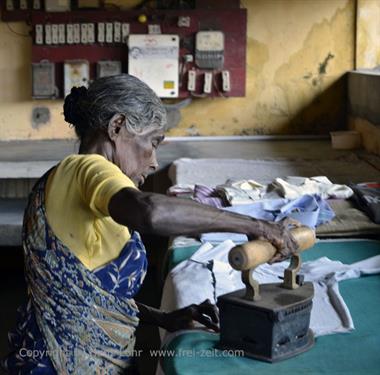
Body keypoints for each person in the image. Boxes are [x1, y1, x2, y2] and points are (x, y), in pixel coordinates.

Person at [2, 74, 297, 374]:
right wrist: (257, 226)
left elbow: (91, 297)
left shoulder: (61, 180)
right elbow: (151, 211)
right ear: (117, 127)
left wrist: (163, 318)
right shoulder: (89, 168)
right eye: (153, 142)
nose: (155, 161)